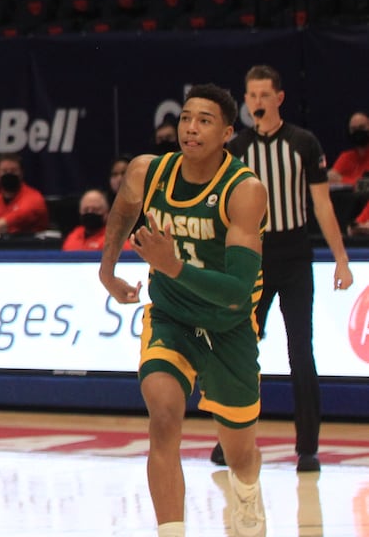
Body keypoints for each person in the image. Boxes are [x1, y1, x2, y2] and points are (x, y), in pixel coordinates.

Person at [99, 83, 268, 537]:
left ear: (228, 132)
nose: (191, 128)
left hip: (228, 327)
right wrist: (107, 268)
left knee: (240, 453)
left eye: (204, 120)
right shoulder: (146, 171)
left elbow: (236, 293)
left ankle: (248, 494)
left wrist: (171, 264)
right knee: (164, 417)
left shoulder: (245, 190)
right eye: (187, 118)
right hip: (170, 319)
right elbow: (122, 210)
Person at [210, 64, 354, 473]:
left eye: (262, 95)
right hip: (251, 257)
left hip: (294, 255)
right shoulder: (236, 150)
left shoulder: (303, 143)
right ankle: (230, 440)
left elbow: (322, 205)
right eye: (250, 96)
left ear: (279, 98)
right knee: (236, 352)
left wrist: (341, 259)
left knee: (300, 351)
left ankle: (307, 447)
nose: (255, 103)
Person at [0, 153, 49, 238]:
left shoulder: (34, 197)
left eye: (13, 171)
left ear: (21, 173)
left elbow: (21, 215)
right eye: (4, 171)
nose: (9, 174)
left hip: (31, 247)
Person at [61, 188, 129, 252]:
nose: (90, 213)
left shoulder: (116, 240)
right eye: (86, 210)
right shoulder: (73, 235)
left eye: (95, 210)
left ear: (107, 213)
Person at [328, 111, 369, 187]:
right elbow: (330, 178)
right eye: (353, 129)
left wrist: (341, 180)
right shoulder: (346, 157)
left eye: (362, 127)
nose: (358, 132)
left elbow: (366, 186)